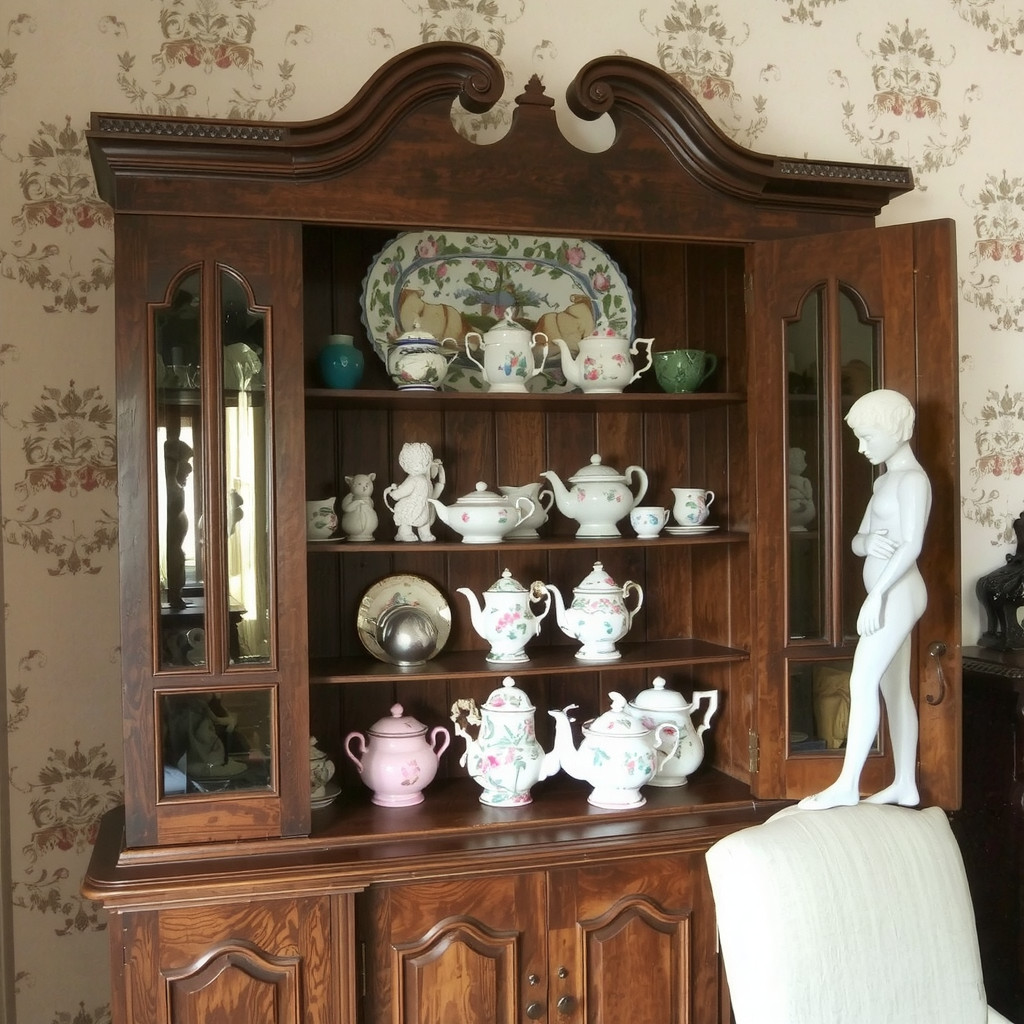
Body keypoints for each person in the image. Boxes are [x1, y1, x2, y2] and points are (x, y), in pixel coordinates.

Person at [799, 389, 930, 810]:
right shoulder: (883, 481)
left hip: (899, 593)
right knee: (895, 691)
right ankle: (905, 784)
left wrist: (877, 596)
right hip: (888, 594)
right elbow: (857, 542)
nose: (861, 447)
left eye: (868, 437)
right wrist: (868, 540)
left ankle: (847, 784)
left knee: (860, 681)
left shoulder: (914, 481)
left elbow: (912, 546)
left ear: (894, 430)